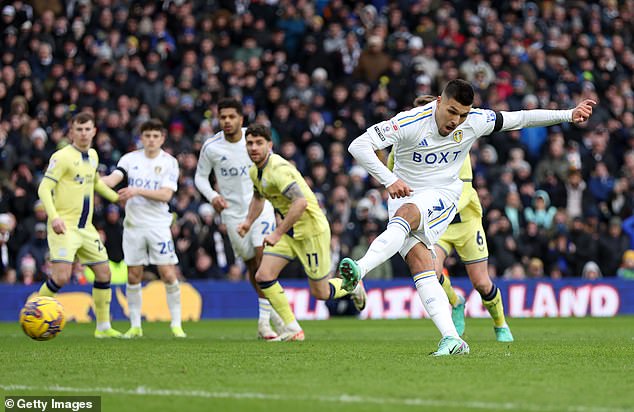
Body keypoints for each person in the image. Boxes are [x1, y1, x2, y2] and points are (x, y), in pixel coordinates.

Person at [340, 79, 594, 355]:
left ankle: (360, 269)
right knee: (421, 265)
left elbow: (521, 118)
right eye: (451, 111)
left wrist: (568, 114)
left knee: (410, 217)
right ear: (439, 101)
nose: (456, 120)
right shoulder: (409, 121)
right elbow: (358, 146)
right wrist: (388, 180)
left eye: (462, 114)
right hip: (403, 196)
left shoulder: (475, 120)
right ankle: (452, 339)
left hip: (443, 194)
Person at [387, 95, 514, 342]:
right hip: (437, 222)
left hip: (465, 221)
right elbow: (392, 179)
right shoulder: (401, 148)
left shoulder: (455, 141)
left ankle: (500, 323)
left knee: (481, 282)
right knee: (430, 271)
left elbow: (464, 190)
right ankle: (456, 302)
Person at [237, 124, 367, 341]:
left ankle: (352, 286)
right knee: (263, 275)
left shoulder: (278, 170)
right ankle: (292, 329)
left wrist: (277, 233)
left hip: (311, 232)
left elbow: (300, 203)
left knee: (321, 293)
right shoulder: (254, 171)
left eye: (259, 143)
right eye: (249, 143)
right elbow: (259, 197)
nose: (253, 147)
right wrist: (248, 222)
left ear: (269, 145)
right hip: (290, 232)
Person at [194, 98, 283, 340]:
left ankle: (264, 324)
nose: (227, 121)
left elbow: (271, 168)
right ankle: (274, 314)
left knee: (262, 256)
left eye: (232, 116)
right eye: (223, 117)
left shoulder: (254, 141)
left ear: (241, 119)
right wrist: (212, 196)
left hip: (260, 205)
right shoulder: (211, 147)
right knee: (253, 267)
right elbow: (200, 178)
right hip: (232, 214)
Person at [36, 112, 123, 338]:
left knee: (104, 273)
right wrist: (53, 216)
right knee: (61, 277)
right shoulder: (62, 156)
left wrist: (116, 198)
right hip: (64, 225)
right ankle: (33, 310)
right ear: (71, 132)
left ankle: (103, 328)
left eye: (88, 129)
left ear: (94, 131)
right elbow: (43, 189)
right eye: (79, 129)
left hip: (86, 228)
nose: (84, 133)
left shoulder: (93, 156)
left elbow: (95, 183)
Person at [101, 119, 185, 338]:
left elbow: (166, 195)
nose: (151, 140)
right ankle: (135, 326)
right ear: (141, 137)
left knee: (167, 273)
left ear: (162, 138)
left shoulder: (169, 162)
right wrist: (94, 179)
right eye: (147, 136)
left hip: (158, 225)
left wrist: (136, 191)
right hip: (133, 226)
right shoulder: (130, 159)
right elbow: (112, 179)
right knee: (133, 275)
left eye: (156, 136)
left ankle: (176, 324)